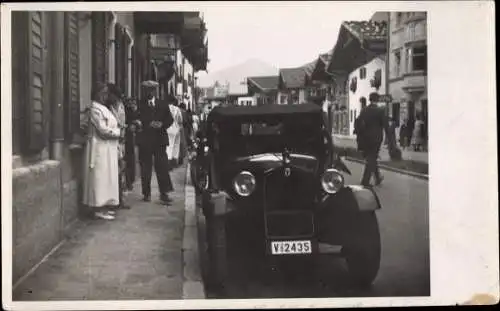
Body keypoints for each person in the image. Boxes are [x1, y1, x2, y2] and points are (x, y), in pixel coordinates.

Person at [82, 83, 121, 220]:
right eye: (102, 93)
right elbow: (103, 130)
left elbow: (115, 123)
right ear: (97, 94)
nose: (105, 96)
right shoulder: (94, 109)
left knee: (107, 178)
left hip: (108, 148)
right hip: (99, 147)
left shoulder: (105, 109)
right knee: (99, 178)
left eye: (106, 93)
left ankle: (104, 206)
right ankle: (97, 208)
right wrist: (118, 132)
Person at [135, 80, 174, 204]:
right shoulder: (139, 104)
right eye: (147, 90)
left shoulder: (162, 104)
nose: (150, 92)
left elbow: (170, 119)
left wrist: (162, 124)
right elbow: (136, 119)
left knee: (162, 167)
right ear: (144, 91)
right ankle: (146, 194)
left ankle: (164, 193)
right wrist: (147, 124)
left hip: (160, 140)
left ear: (155, 91)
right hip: (145, 140)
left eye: (152, 90)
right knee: (145, 168)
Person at [356, 92, 391, 187]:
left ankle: (378, 178)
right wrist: (389, 139)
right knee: (371, 158)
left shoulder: (364, 110)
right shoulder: (380, 111)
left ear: (370, 99)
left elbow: (358, 123)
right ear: (378, 100)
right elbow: (385, 125)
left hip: (365, 138)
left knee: (372, 158)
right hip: (376, 138)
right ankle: (365, 181)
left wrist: (359, 137)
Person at [107, 84, 131, 210]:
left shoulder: (121, 106)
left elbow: (123, 122)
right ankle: (113, 200)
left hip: (120, 141)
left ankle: (120, 198)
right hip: (111, 141)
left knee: (121, 169)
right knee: (113, 171)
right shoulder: (107, 107)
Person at [124, 97, 138, 191]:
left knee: (130, 160)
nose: (131, 104)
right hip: (127, 138)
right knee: (128, 161)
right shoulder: (128, 111)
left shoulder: (132, 111)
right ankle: (128, 182)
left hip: (130, 138)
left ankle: (130, 181)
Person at [167, 99, 183, 168]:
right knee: (176, 145)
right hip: (176, 128)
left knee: (169, 146)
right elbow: (180, 119)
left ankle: (168, 163)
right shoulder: (177, 109)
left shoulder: (166, 108)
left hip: (168, 128)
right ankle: (174, 162)